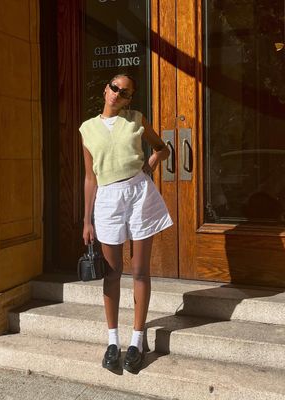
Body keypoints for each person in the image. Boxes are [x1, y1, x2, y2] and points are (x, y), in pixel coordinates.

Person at [79, 73, 173, 373]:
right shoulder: (87, 129)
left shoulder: (135, 120)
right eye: (114, 88)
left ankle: (136, 340)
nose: (117, 94)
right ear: (106, 88)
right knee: (112, 273)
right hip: (107, 198)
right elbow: (90, 177)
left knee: (140, 271)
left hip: (138, 194)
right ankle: (112, 342)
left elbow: (162, 148)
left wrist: (149, 167)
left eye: (125, 92)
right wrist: (86, 219)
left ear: (130, 98)